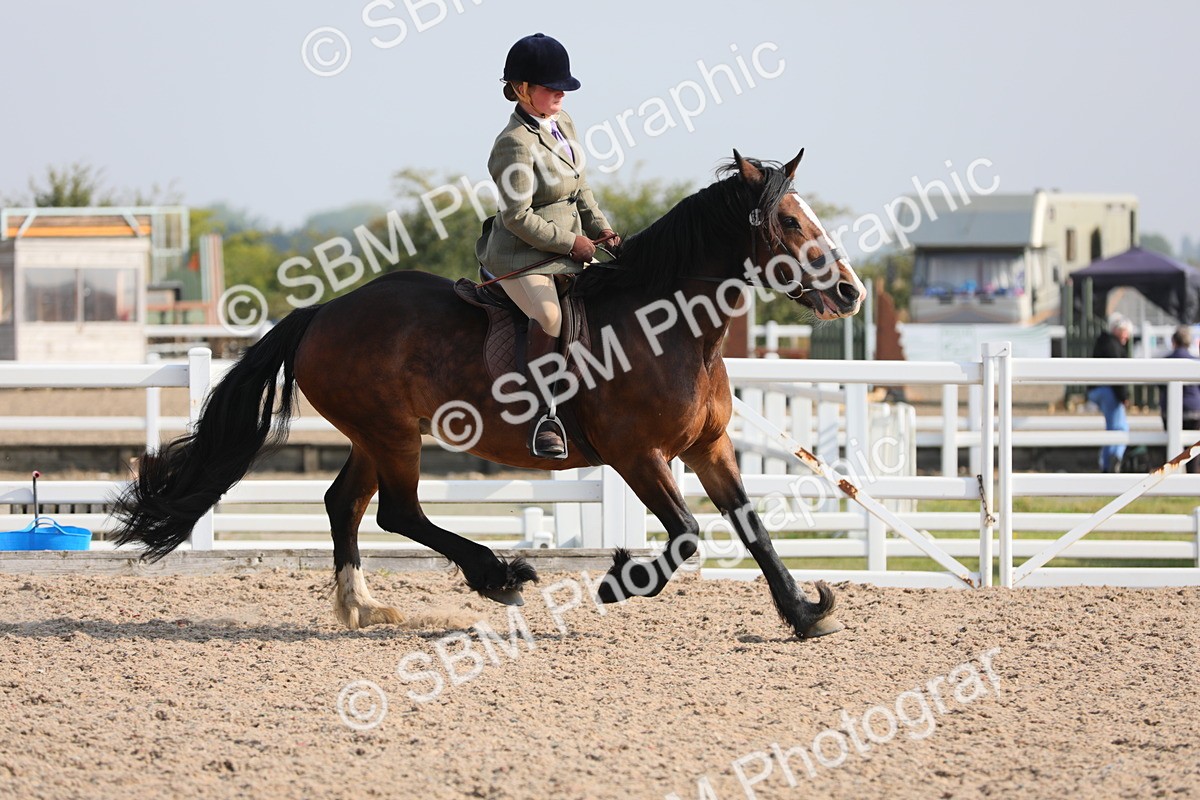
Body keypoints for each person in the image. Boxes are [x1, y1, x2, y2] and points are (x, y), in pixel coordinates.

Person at [476, 33, 619, 459]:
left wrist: (604, 230)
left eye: (563, 87)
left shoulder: (564, 121)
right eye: (551, 87)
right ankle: (543, 415)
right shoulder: (512, 144)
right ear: (523, 90)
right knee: (550, 315)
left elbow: (580, 188)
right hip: (521, 256)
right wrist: (571, 242)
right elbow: (515, 217)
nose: (560, 93)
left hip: (567, 250)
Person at [1088, 314, 1132, 472]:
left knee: (1112, 428)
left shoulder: (1104, 341)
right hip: (1108, 390)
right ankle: (1114, 460)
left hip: (1100, 389)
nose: (1127, 335)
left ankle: (1107, 464)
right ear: (1117, 330)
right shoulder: (1112, 345)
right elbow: (1117, 374)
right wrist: (1124, 396)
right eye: (1125, 331)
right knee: (1120, 428)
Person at [1159, 325, 1200, 474]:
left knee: (1171, 448)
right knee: (1192, 451)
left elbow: (1159, 385)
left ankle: (1169, 481)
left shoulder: (1165, 361)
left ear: (1173, 341)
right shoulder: (1196, 361)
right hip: (1194, 410)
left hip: (1170, 411)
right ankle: (1192, 482)